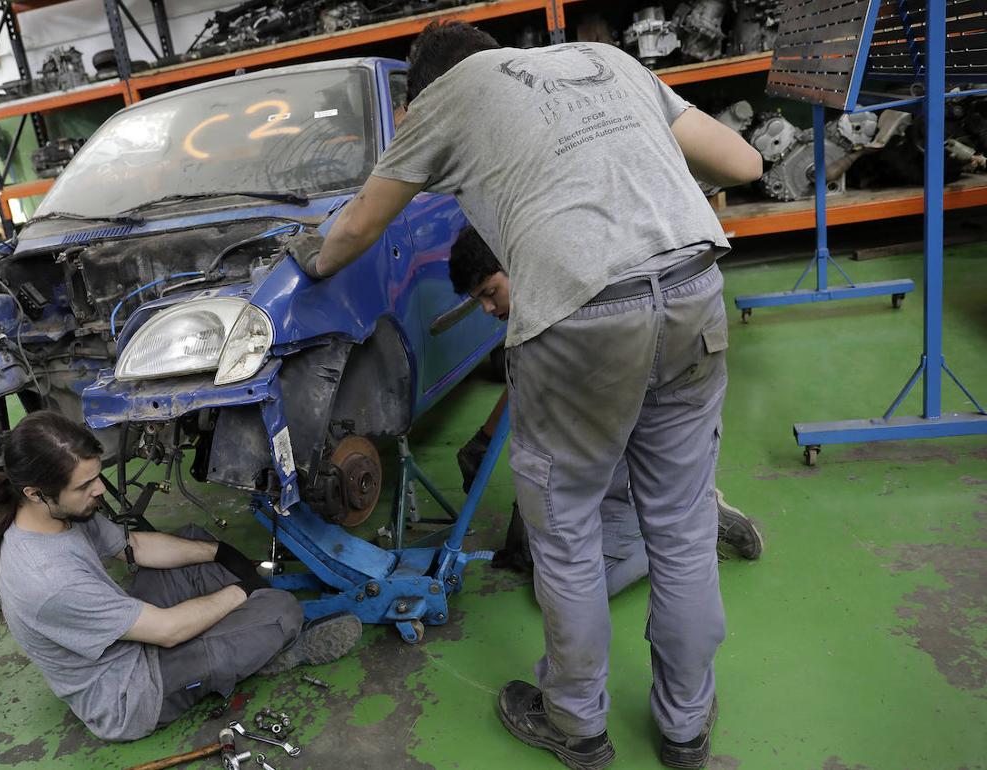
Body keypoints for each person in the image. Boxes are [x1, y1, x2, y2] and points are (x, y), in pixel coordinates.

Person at [282, 22, 763, 769]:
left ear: (423, 90)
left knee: (566, 534)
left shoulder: (451, 96)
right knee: (681, 528)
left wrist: (301, 266)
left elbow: (359, 226)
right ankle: (686, 730)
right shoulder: (606, 59)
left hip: (582, 312)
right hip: (693, 283)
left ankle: (577, 727)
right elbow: (746, 158)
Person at [0, 411, 361, 741]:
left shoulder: (56, 514)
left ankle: (242, 642)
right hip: (132, 692)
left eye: (96, 476)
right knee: (282, 610)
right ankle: (273, 652)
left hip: (129, 633)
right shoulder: (48, 580)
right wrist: (240, 591)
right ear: (35, 492)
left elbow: (136, 547)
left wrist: (220, 553)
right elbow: (167, 631)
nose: (99, 489)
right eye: (84, 485)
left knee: (194, 542)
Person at [448, 226, 764, 576]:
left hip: (628, 445)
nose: (487, 308)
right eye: (478, 299)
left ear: (518, 266)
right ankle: (677, 513)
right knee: (535, 547)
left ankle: (691, 525)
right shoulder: (541, 301)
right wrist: (486, 439)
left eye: (490, 293)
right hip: (608, 437)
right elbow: (520, 384)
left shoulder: (582, 311)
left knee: (567, 578)